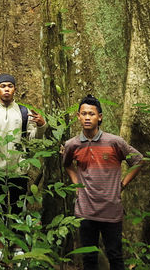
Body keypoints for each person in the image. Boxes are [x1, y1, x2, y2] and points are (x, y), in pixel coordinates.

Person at [62, 95, 144, 270]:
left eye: (91, 114)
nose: (87, 117)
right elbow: (67, 164)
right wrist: (77, 185)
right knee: (89, 258)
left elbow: (138, 161)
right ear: (78, 116)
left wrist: (122, 185)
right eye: (83, 114)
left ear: (99, 116)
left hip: (111, 209)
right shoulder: (72, 144)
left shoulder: (115, 142)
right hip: (85, 210)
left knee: (115, 256)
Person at [0, 74, 46, 265]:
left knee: (19, 208)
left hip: (18, 170)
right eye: (2, 86)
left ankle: (17, 247)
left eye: (10, 86)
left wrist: (43, 126)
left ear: (14, 89)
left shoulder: (23, 112)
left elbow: (32, 138)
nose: (6, 89)